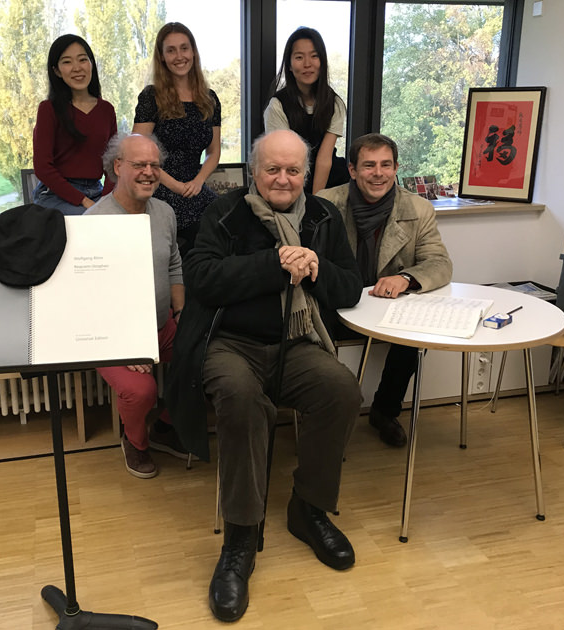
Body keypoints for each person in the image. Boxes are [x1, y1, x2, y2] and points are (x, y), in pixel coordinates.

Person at [166, 129, 362, 622]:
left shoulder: (323, 217)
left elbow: (350, 289)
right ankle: (240, 537)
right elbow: (203, 278)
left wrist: (316, 267)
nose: (283, 178)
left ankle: (308, 508)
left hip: (296, 343)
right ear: (254, 172)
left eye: (293, 170)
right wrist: (273, 262)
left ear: (304, 174)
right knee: (240, 397)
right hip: (230, 342)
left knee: (341, 389)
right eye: (272, 169)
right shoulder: (226, 213)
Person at [318, 133, 453, 447]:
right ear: (352, 170)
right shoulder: (326, 203)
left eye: (385, 165)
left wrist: (406, 279)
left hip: (387, 307)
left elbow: (440, 263)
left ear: (395, 169)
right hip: (337, 303)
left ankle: (384, 412)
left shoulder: (419, 209)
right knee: (314, 335)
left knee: (412, 339)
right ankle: (327, 420)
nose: (378, 173)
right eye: (368, 165)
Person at [85, 133, 187, 479]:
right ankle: (136, 441)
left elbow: (174, 265)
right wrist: (124, 346)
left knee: (206, 359)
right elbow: (87, 297)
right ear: (117, 167)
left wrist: (182, 316)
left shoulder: (165, 213)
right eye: (139, 164)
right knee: (141, 390)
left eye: (155, 165)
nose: (149, 172)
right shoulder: (94, 223)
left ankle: (165, 426)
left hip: (160, 326)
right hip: (111, 337)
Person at [133, 22, 221, 257]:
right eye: (171, 50)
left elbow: (214, 152)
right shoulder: (151, 97)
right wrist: (176, 186)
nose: (179, 56)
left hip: (195, 186)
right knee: (198, 233)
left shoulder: (210, 98)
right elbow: (137, 154)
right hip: (159, 186)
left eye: (184, 48)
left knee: (226, 222)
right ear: (161, 57)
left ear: (193, 52)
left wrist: (199, 181)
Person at [32, 34, 117, 215]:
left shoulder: (106, 109)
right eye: (67, 62)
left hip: (97, 192)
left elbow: (113, 163)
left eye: (83, 60)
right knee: (90, 223)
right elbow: (42, 167)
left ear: (91, 64)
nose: (77, 68)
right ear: (56, 71)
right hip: (56, 195)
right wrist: (84, 201)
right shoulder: (48, 109)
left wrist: (105, 199)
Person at [264, 26, 349, 195]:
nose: (307, 64)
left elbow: (324, 158)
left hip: (329, 177)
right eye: (299, 57)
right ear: (289, 65)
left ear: (322, 61)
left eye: (314, 56)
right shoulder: (277, 106)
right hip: (289, 177)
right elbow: (284, 159)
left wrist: (316, 200)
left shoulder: (335, 103)